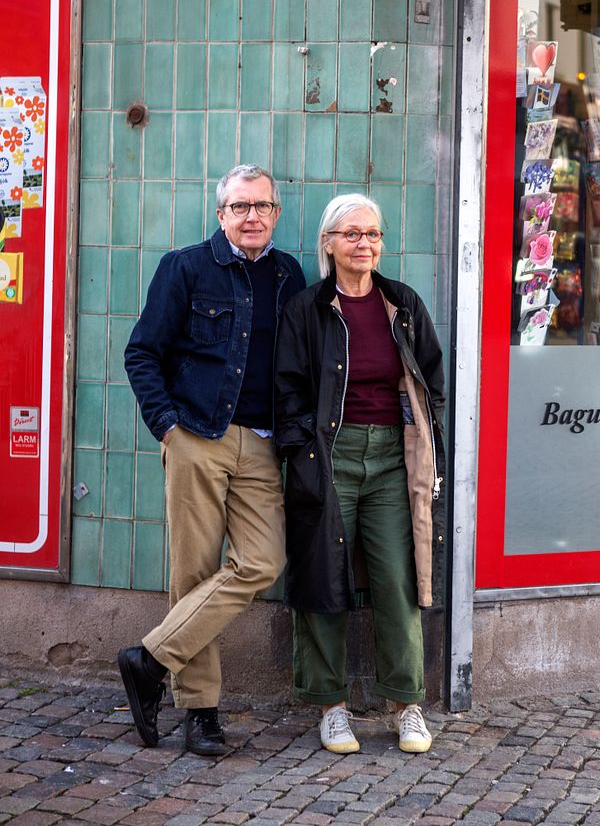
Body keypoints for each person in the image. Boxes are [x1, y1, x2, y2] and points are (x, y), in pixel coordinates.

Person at [119, 164, 305, 755]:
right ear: (221, 214)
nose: (253, 217)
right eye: (241, 207)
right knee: (194, 572)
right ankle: (201, 712)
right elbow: (142, 353)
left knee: (262, 561)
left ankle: (148, 660)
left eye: (263, 207)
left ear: (277, 213)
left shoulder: (287, 274)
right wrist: (168, 428)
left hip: (261, 440)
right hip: (197, 433)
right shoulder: (185, 266)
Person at [274, 193, 445, 755]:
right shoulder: (308, 308)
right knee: (325, 575)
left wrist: (425, 441)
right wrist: (304, 453)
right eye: (351, 234)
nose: (364, 244)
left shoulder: (403, 304)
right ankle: (331, 706)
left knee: (398, 578)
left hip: (392, 460)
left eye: (372, 234)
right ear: (328, 243)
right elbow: (289, 391)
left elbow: (431, 384)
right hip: (330, 456)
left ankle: (407, 703)